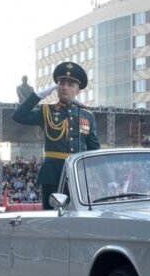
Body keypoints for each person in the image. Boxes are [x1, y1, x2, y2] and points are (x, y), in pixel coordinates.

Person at [13, 61, 100, 209]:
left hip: (79, 176)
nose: (65, 87)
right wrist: (37, 96)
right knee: (52, 220)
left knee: (80, 218)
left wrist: (104, 178)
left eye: (70, 84)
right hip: (53, 175)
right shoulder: (47, 111)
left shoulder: (87, 115)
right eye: (62, 83)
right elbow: (19, 116)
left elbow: (94, 149)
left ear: (78, 90)